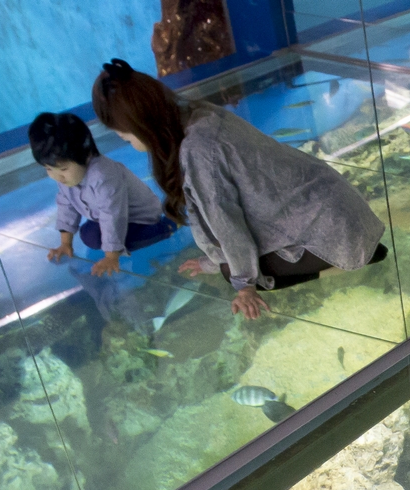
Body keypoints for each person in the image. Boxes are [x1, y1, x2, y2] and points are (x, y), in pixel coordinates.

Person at [91, 59, 388, 321]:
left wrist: (244, 286)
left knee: (235, 273)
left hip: (336, 228)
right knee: (228, 264)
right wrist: (211, 259)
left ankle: (354, 261)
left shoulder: (198, 151)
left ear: (144, 126)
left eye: (125, 137)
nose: (127, 143)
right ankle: (355, 254)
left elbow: (227, 223)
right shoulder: (198, 113)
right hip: (338, 206)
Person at [32, 112, 174, 278]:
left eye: (63, 169)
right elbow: (66, 204)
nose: (57, 176)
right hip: (112, 217)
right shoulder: (67, 176)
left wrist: (111, 257)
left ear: (85, 156)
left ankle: (167, 226)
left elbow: (112, 215)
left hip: (140, 217)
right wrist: (65, 243)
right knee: (89, 236)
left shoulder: (103, 176)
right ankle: (117, 244)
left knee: (125, 243)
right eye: (49, 169)